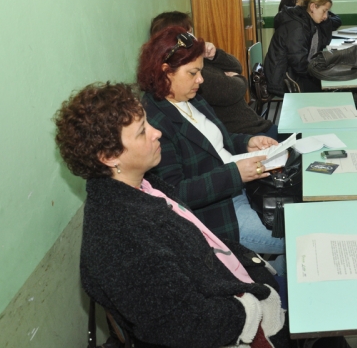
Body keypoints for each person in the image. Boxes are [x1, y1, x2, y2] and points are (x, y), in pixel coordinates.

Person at [53, 82, 288, 347]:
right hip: (231, 321)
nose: (156, 133)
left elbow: (204, 244)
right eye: (143, 132)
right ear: (109, 156)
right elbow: (189, 326)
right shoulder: (120, 240)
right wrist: (251, 307)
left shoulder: (145, 186)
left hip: (231, 290)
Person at [137, 27, 286, 259]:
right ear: (166, 72)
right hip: (216, 214)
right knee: (297, 237)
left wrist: (247, 142)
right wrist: (235, 174)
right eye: (193, 73)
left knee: (298, 215)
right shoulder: (155, 122)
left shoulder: (190, 97)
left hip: (242, 188)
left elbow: (217, 144)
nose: (201, 79)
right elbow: (174, 192)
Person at [150, 12, 277, 137]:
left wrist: (214, 54)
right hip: (245, 132)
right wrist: (239, 78)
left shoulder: (196, 60)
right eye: (188, 34)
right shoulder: (191, 74)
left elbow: (236, 66)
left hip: (252, 126)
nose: (193, 38)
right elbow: (233, 90)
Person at [266, 0, 336, 95]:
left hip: (295, 73)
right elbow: (299, 63)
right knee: (328, 89)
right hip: (285, 78)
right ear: (312, 6)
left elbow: (323, 44)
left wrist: (325, 23)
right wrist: (320, 73)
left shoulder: (310, 22)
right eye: (324, 11)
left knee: (331, 83)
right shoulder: (297, 27)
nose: (326, 16)